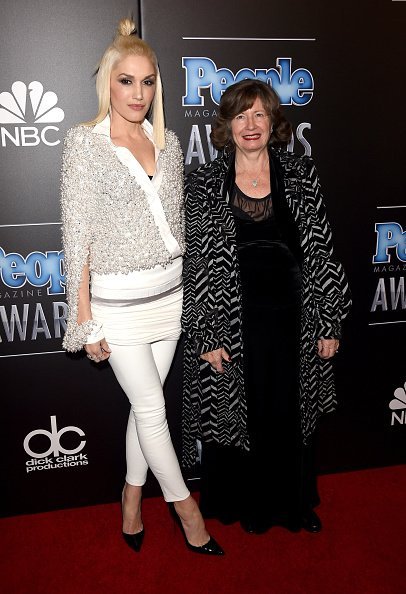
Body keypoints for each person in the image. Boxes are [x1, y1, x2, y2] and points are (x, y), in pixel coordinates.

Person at [60, 17, 223, 555]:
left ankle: (131, 496)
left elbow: (175, 224)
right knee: (154, 411)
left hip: (169, 299)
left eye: (148, 81)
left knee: (143, 409)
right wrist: (83, 320)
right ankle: (186, 510)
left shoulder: (168, 141)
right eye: (127, 80)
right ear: (107, 81)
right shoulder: (85, 144)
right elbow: (76, 237)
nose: (138, 92)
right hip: (119, 308)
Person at [181, 79, 351, 534]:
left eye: (259, 115)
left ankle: (293, 503)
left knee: (290, 412)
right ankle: (249, 503)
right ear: (227, 125)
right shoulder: (202, 182)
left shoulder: (300, 171)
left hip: (295, 316)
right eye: (240, 116)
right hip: (235, 320)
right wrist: (206, 334)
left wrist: (328, 320)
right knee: (242, 412)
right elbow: (196, 261)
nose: (250, 125)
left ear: (273, 121)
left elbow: (321, 249)